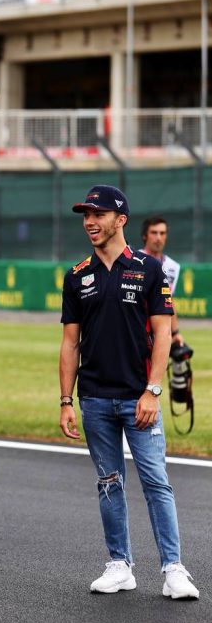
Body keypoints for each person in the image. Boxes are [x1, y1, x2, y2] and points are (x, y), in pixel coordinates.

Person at [59, 184, 199, 599]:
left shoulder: (150, 269)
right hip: (95, 398)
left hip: (140, 396)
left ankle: (173, 569)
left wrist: (153, 391)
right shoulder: (77, 274)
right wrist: (66, 401)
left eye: (97, 214)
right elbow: (70, 342)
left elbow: (162, 336)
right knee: (108, 482)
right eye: (85, 215)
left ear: (119, 220)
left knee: (156, 481)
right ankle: (119, 565)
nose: (89, 221)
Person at [141, 215, 184, 346]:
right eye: (154, 233)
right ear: (145, 236)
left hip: (160, 330)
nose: (158, 237)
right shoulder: (132, 260)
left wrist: (175, 332)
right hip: (137, 327)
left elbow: (169, 301)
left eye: (162, 233)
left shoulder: (173, 266)